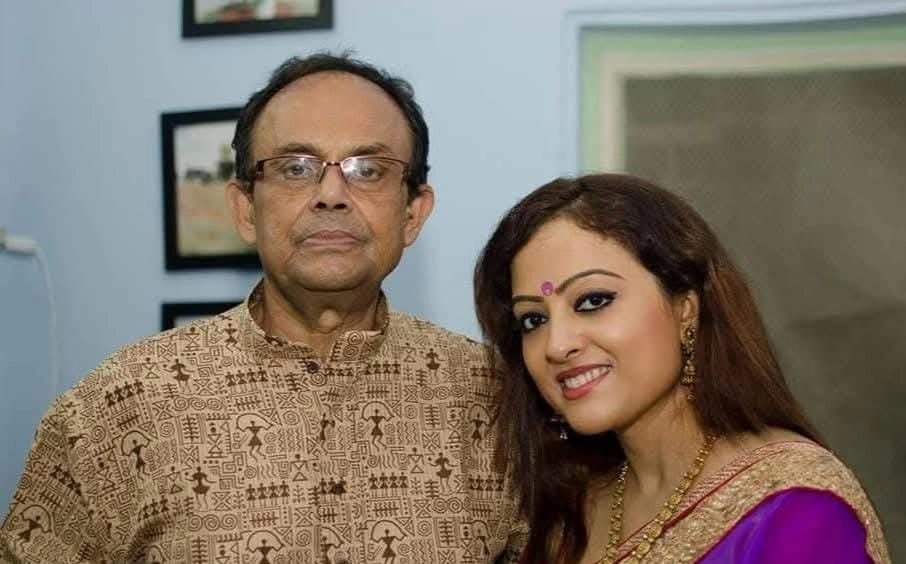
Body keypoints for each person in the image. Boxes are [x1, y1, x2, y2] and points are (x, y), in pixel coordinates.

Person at [1, 53, 524, 563]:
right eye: (296, 168)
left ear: (413, 213)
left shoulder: (497, 400)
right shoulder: (118, 406)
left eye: (368, 169)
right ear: (245, 209)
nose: (331, 193)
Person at [473, 174, 890, 563]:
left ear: (685, 308)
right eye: (533, 320)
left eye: (593, 301)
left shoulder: (794, 507)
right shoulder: (569, 517)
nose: (557, 345)